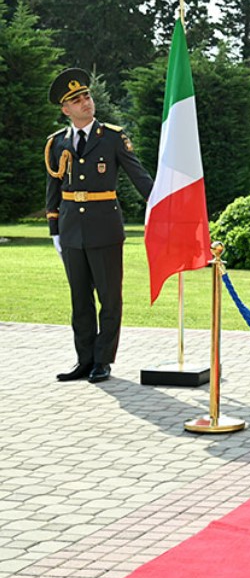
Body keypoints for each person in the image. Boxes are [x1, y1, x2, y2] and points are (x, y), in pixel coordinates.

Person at [45, 68, 155, 383]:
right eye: (77, 100)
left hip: (105, 227)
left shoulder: (112, 137)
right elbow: (53, 189)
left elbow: (139, 176)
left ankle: (103, 360)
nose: (86, 102)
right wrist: (55, 230)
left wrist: (163, 205)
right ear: (66, 109)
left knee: (109, 297)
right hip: (71, 230)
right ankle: (84, 360)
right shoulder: (57, 143)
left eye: (87, 96)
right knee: (79, 299)